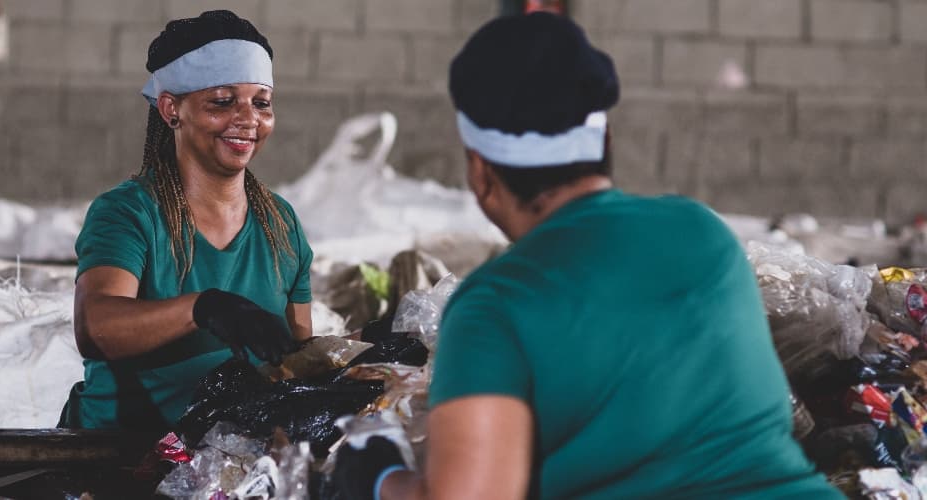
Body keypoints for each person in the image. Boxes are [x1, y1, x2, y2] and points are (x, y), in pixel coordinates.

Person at [334, 12, 843, 499]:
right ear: (606, 142)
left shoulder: (496, 305)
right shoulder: (701, 233)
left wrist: (378, 473)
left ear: (481, 173)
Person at [60, 10, 313, 432]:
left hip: (229, 462)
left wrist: (365, 354)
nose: (248, 119)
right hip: (118, 457)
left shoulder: (280, 224)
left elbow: (299, 354)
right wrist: (203, 308)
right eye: (222, 102)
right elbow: (96, 326)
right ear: (171, 108)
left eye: (261, 103)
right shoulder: (129, 213)